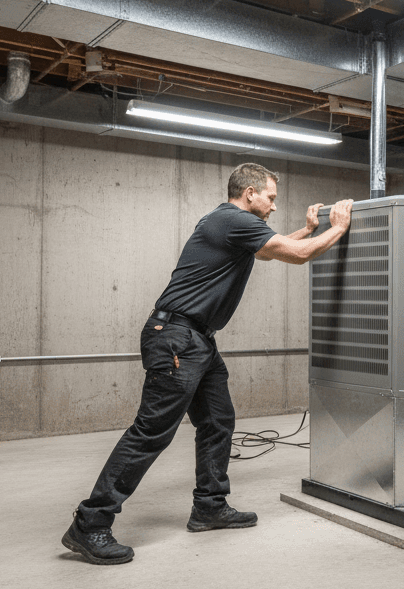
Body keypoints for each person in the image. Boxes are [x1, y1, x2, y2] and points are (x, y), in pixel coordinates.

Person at [62, 162, 354, 564]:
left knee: (218, 420)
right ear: (249, 193)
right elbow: (298, 256)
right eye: (270, 198)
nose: (273, 206)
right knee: (151, 432)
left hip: (196, 339)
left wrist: (307, 230)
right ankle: (90, 523)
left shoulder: (230, 223)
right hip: (178, 338)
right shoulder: (234, 220)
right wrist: (338, 228)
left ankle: (210, 506)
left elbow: (270, 252)